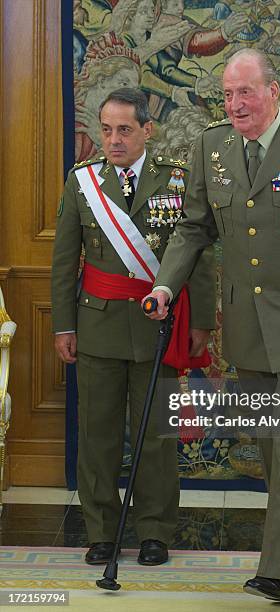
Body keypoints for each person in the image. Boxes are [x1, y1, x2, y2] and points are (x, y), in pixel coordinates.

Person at [143, 49, 280, 603]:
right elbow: (193, 228)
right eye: (227, 94)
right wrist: (166, 284)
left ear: (274, 92)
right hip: (245, 323)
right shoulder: (212, 145)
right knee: (271, 446)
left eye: (246, 92)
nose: (236, 103)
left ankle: (276, 571)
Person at [52, 88, 215, 566]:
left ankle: (154, 532)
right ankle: (102, 530)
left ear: (148, 130)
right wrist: (64, 326)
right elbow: (65, 263)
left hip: (157, 328)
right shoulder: (81, 183)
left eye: (124, 129)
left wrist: (200, 321)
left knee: (156, 436)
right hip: (97, 324)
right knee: (98, 434)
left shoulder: (176, 181)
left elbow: (197, 257)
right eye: (106, 130)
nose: (114, 140)